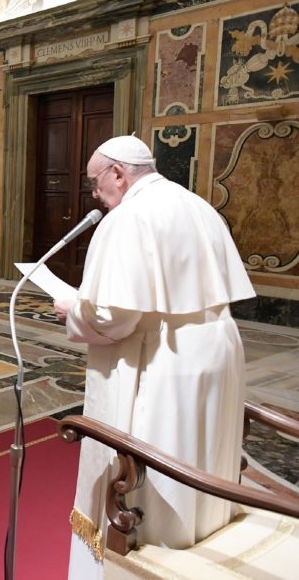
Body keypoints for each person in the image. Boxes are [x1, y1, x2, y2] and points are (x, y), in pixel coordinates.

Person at [53, 136, 255, 577]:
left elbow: (115, 316)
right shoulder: (197, 205)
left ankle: (152, 562)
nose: (94, 194)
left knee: (162, 461)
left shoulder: (129, 217)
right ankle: (206, 553)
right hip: (218, 348)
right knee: (205, 453)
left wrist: (74, 308)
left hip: (167, 359)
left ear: (119, 174)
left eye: (95, 182)